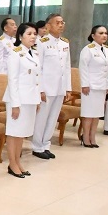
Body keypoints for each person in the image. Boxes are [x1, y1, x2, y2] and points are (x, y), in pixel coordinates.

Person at [3, 23, 41, 178]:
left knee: (22, 133)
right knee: (14, 133)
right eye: (29, 34)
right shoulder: (15, 53)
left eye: (35, 34)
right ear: (20, 36)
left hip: (30, 99)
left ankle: (17, 162)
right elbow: (12, 80)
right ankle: (12, 163)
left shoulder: (34, 53)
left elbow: (37, 78)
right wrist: (15, 105)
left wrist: (37, 100)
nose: (33, 37)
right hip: (18, 100)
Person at [31, 13, 71, 159]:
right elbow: (38, 68)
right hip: (46, 88)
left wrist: (68, 88)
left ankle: (46, 145)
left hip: (59, 87)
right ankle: (37, 146)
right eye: (57, 22)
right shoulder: (41, 43)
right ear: (48, 26)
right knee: (42, 118)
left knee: (53, 118)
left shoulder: (65, 43)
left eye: (62, 22)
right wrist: (40, 89)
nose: (61, 25)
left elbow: (67, 67)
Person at [79, 25, 108, 147]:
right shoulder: (88, 49)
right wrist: (85, 84)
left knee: (97, 114)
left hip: (102, 86)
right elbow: (83, 68)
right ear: (93, 35)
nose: (104, 35)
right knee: (89, 113)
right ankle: (85, 137)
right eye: (101, 33)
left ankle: (92, 137)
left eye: (105, 33)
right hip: (90, 87)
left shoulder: (107, 50)